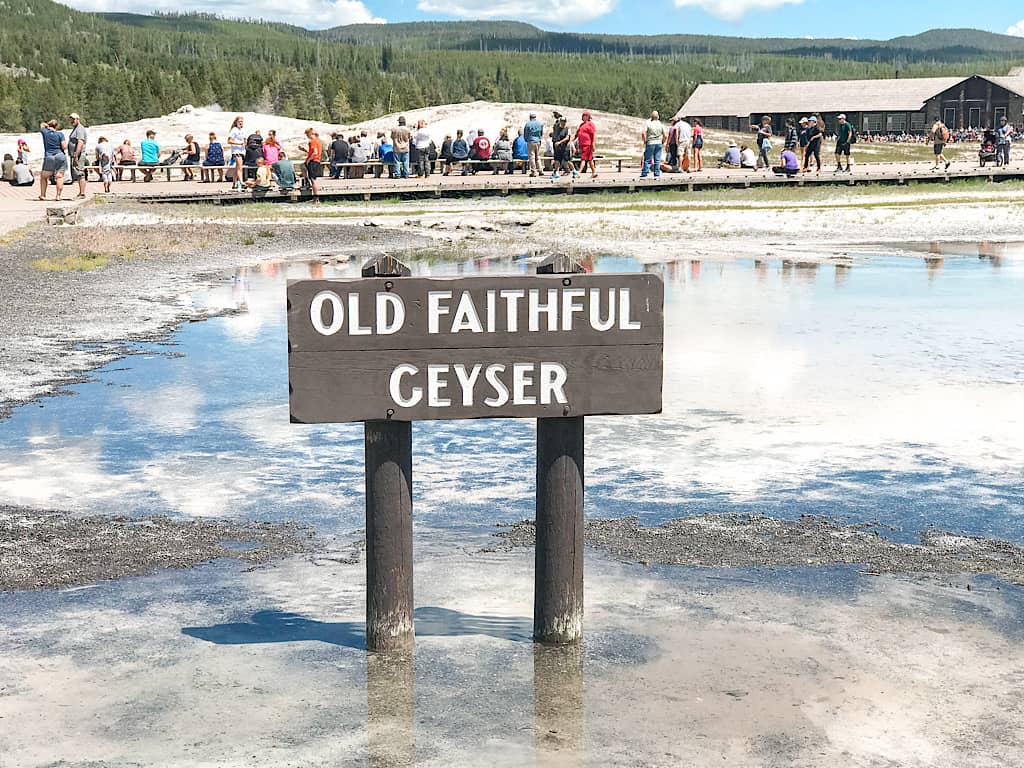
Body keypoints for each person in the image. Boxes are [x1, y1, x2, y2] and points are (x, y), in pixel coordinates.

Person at [38, 119, 67, 201]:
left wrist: (47, 126)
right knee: (59, 176)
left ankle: (43, 195)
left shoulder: (45, 133)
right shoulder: (60, 134)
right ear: (57, 126)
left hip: (49, 156)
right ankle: (58, 196)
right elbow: (64, 146)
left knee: (44, 177)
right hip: (60, 155)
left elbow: (42, 124)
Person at [67, 112, 88, 199]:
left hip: (78, 155)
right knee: (78, 173)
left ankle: (82, 193)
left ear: (78, 119)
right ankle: (81, 192)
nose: (72, 121)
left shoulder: (79, 129)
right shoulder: (76, 129)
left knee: (80, 173)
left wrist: (76, 154)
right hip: (75, 155)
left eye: (73, 119)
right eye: (71, 119)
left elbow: (80, 142)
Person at [299, 127, 323, 200]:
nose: (307, 136)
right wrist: (304, 150)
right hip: (316, 161)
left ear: (310, 134)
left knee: (313, 180)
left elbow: (315, 153)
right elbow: (312, 152)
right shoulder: (318, 141)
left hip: (313, 161)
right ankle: (306, 180)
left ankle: (316, 197)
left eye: (307, 135)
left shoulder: (313, 141)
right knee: (303, 167)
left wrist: (308, 160)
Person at [640, 110, 665, 179]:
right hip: (659, 142)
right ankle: (657, 174)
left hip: (650, 142)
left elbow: (643, 133)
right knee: (657, 159)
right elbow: (665, 134)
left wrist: (645, 141)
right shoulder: (660, 124)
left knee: (648, 159)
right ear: (658, 117)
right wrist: (663, 141)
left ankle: (645, 173)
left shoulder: (648, 123)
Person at [550, 113, 575, 179]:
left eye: (564, 121)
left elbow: (567, 138)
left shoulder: (567, 129)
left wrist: (560, 142)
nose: (563, 123)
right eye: (562, 121)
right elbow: (555, 126)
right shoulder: (558, 128)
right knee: (557, 160)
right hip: (559, 148)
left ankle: (574, 171)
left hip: (565, 148)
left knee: (567, 161)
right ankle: (556, 173)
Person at [576, 111, 597, 178]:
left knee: (583, 159)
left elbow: (593, 134)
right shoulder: (581, 125)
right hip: (582, 144)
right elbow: (577, 134)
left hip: (587, 144)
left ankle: (579, 172)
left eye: (584, 116)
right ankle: (594, 172)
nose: (582, 117)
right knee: (590, 159)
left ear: (587, 117)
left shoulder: (591, 124)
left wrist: (593, 143)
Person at [227, 116, 246, 191]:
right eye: (239, 121)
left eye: (242, 121)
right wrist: (239, 143)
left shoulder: (243, 130)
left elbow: (244, 139)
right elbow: (229, 141)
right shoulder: (234, 130)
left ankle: (234, 183)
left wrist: (245, 142)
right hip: (236, 150)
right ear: (236, 122)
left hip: (242, 150)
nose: (241, 123)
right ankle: (241, 181)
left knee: (237, 167)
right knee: (240, 166)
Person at [523, 112, 544, 177]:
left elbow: (526, 133)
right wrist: (539, 138)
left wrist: (526, 139)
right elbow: (541, 133)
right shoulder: (540, 124)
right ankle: (540, 170)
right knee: (537, 156)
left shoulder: (528, 124)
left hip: (531, 141)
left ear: (530, 117)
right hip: (538, 141)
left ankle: (534, 171)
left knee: (532, 156)